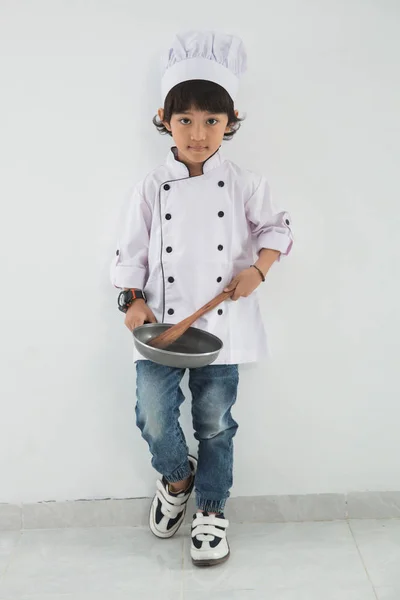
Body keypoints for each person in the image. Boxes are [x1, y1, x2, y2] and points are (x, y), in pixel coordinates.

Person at [111, 30, 293, 567]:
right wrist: (130, 300)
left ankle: (211, 510)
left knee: (216, 423)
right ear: (164, 118)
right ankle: (176, 476)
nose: (197, 133)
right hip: (164, 325)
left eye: (211, 121)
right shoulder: (149, 187)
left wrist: (259, 270)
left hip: (222, 324)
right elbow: (128, 253)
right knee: (153, 417)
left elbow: (278, 229)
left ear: (230, 122)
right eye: (185, 119)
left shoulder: (244, 183)